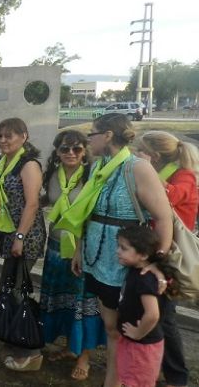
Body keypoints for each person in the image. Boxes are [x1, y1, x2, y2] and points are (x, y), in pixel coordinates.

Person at [56, 113, 173, 387]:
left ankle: (128, 379)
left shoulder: (137, 168)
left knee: (130, 328)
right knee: (111, 328)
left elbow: (164, 217)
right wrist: (79, 251)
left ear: (108, 135)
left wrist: (156, 262)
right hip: (97, 260)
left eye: (92, 134)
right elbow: (90, 213)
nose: (88, 139)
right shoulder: (101, 165)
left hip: (127, 263)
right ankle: (113, 380)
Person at [38, 130, 105, 381]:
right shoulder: (53, 176)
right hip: (55, 248)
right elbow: (52, 200)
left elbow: (89, 218)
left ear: (85, 151)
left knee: (82, 303)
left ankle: (84, 357)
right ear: (57, 152)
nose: (70, 153)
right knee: (62, 300)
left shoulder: (91, 177)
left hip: (80, 250)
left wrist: (78, 250)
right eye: (65, 149)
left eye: (77, 149)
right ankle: (69, 347)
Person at [134, 130, 199, 387]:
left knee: (166, 316)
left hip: (170, 254)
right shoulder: (163, 171)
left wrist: (146, 170)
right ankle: (158, 366)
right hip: (155, 250)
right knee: (155, 311)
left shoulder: (183, 176)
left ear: (155, 155)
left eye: (142, 151)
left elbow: (171, 196)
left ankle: (176, 376)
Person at [0, 118, 47, 371]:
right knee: (9, 286)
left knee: (19, 290)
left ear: (23, 136)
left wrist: (20, 237)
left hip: (25, 235)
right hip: (10, 232)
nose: (3, 140)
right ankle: (14, 338)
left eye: (8, 136)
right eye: (0, 136)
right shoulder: (4, 162)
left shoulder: (28, 165)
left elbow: (32, 204)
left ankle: (30, 351)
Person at [115, 226, 175, 387]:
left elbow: (153, 314)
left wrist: (137, 333)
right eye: (118, 246)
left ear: (143, 255)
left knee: (137, 381)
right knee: (130, 378)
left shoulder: (145, 279)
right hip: (135, 342)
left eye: (124, 248)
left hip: (142, 346)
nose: (118, 251)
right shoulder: (136, 270)